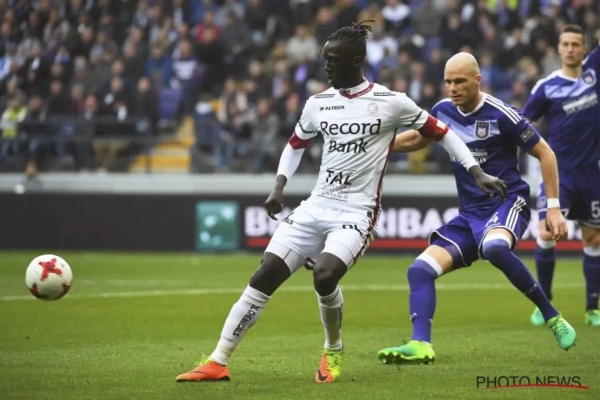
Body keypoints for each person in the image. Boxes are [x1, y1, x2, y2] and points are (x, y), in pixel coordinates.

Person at [175, 22, 504, 383]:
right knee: (264, 275)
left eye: (333, 60)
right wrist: (279, 186)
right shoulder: (318, 103)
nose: (327, 66)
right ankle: (218, 361)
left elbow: (443, 133)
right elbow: (294, 146)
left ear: (356, 61)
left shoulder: (391, 102)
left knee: (325, 274)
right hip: (315, 206)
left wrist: (476, 172)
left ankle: (333, 348)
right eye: (325, 60)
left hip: (357, 213)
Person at [377, 52, 577, 366]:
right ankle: (421, 344)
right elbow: (418, 138)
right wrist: (378, 146)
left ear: (477, 80)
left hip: (507, 202)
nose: (453, 88)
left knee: (495, 248)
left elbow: (546, 153)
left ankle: (552, 316)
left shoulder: (502, 114)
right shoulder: (442, 110)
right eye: (448, 82)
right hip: (470, 214)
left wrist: (553, 208)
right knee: (419, 270)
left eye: (460, 81)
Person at [522, 25, 600, 327]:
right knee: (546, 233)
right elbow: (524, 122)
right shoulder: (546, 87)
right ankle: (545, 303)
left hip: (592, 173)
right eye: (565, 44)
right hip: (559, 174)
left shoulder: (594, 72)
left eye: (575, 44)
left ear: (584, 49)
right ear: (558, 48)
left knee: (594, 239)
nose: (570, 49)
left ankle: (592, 307)